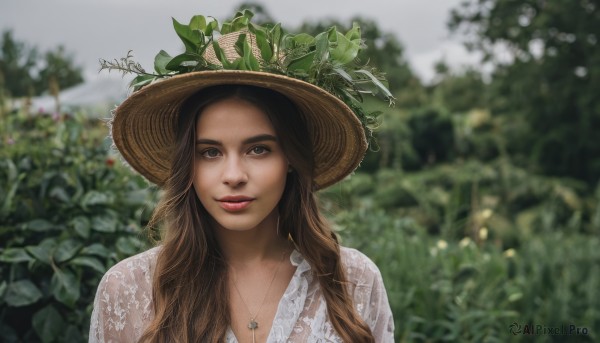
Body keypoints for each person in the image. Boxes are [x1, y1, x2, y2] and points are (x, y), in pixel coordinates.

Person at [90, 11, 395, 343]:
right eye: (210, 152)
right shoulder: (129, 289)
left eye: (258, 149)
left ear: (291, 158)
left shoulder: (354, 281)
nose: (233, 176)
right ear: (186, 164)